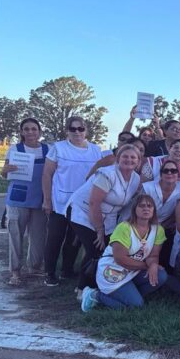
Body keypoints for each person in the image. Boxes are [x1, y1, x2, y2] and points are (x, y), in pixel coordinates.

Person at [67, 145, 142, 293]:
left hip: (108, 215)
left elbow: (128, 203)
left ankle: (99, 283)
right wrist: (99, 230)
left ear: (138, 161)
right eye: (125, 156)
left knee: (107, 249)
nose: (129, 160)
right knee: (95, 248)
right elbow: (94, 203)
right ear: (118, 158)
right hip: (84, 210)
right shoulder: (107, 174)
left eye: (133, 157)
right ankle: (82, 288)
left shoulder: (136, 178)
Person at [42, 116, 105, 286]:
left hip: (81, 204)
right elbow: (47, 174)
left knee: (74, 240)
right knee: (55, 238)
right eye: (73, 129)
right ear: (67, 131)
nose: (77, 132)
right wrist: (47, 200)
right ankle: (49, 272)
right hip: (60, 202)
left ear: (86, 131)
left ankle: (67, 270)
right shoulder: (58, 148)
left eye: (80, 129)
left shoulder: (95, 150)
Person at [80, 194, 169, 311]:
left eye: (149, 206)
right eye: (141, 206)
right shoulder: (124, 228)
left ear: (153, 210)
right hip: (113, 268)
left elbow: (153, 255)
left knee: (161, 275)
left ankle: (131, 296)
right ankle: (94, 295)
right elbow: (120, 259)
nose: (146, 208)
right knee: (136, 307)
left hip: (134, 270)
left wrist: (153, 264)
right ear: (134, 210)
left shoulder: (158, 230)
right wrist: (148, 266)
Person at [2, 118, 49, 285]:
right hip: (18, 199)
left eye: (34, 129)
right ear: (21, 132)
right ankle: (15, 271)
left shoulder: (47, 149)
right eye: (27, 129)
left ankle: (35, 267)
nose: (30, 132)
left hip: (40, 199)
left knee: (38, 237)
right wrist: (6, 170)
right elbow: (4, 174)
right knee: (16, 236)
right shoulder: (15, 149)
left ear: (39, 132)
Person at [138, 159, 180, 270]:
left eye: (173, 171)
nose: (170, 173)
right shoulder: (148, 188)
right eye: (166, 171)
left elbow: (177, 212)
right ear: (161, 174)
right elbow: (138, 210)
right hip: (143, 224)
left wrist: (162, 226)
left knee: (165, 248)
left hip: (164, 226)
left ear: (177, 174)